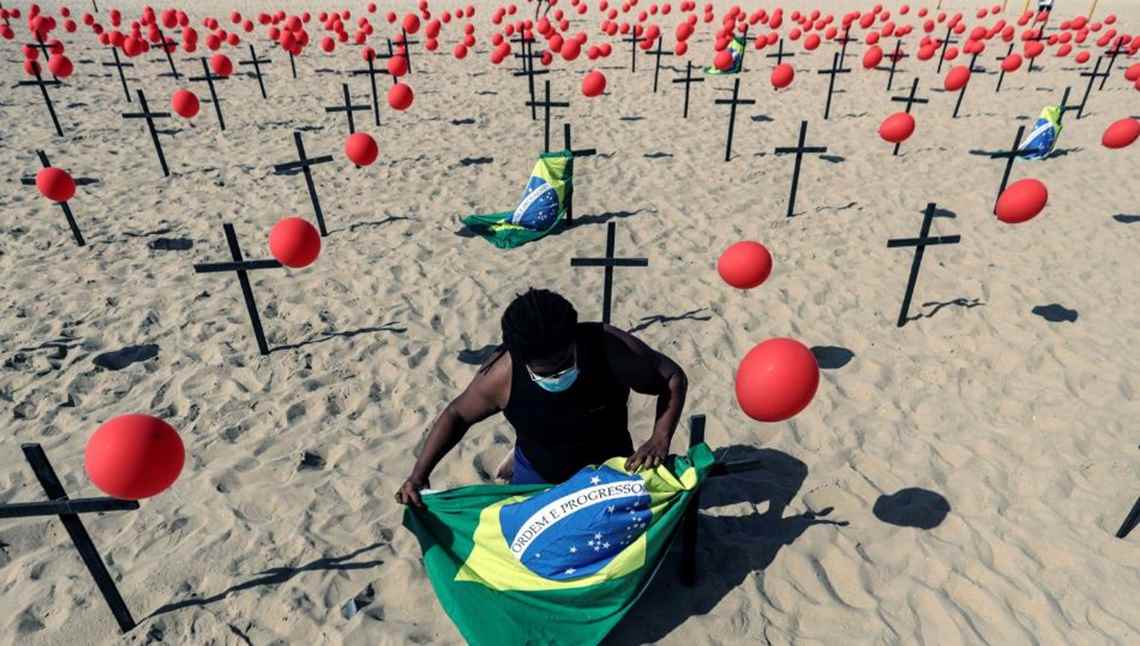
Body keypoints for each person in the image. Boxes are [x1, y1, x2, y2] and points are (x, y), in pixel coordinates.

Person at [396, 288, 688, 508]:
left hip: (610, 470)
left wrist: (659, 437)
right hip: (538, 475)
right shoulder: (501, 376)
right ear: (521, 358)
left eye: (564, 362)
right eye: (546, 371)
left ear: (574, 339)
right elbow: (457, 415)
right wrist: (419, 474)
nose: (558, 374)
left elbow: (672, 378)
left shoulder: (608, 348)